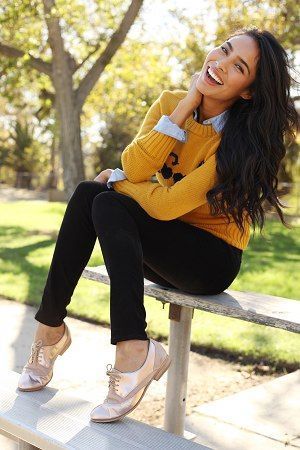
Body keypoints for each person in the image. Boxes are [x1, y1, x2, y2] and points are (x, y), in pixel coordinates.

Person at [18, 27, 298, 423]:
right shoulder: (170, 103)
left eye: (237, 67)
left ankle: (133, 352)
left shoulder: (237, 140)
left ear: (248, 91)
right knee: (87, 195)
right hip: (162, 247)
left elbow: (165, 205)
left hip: (209, 260)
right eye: (223, 50)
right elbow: (136, 166)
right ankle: (50, 331)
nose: (219, 63)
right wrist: (184, 106)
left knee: (108, 199)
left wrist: (116, 181)